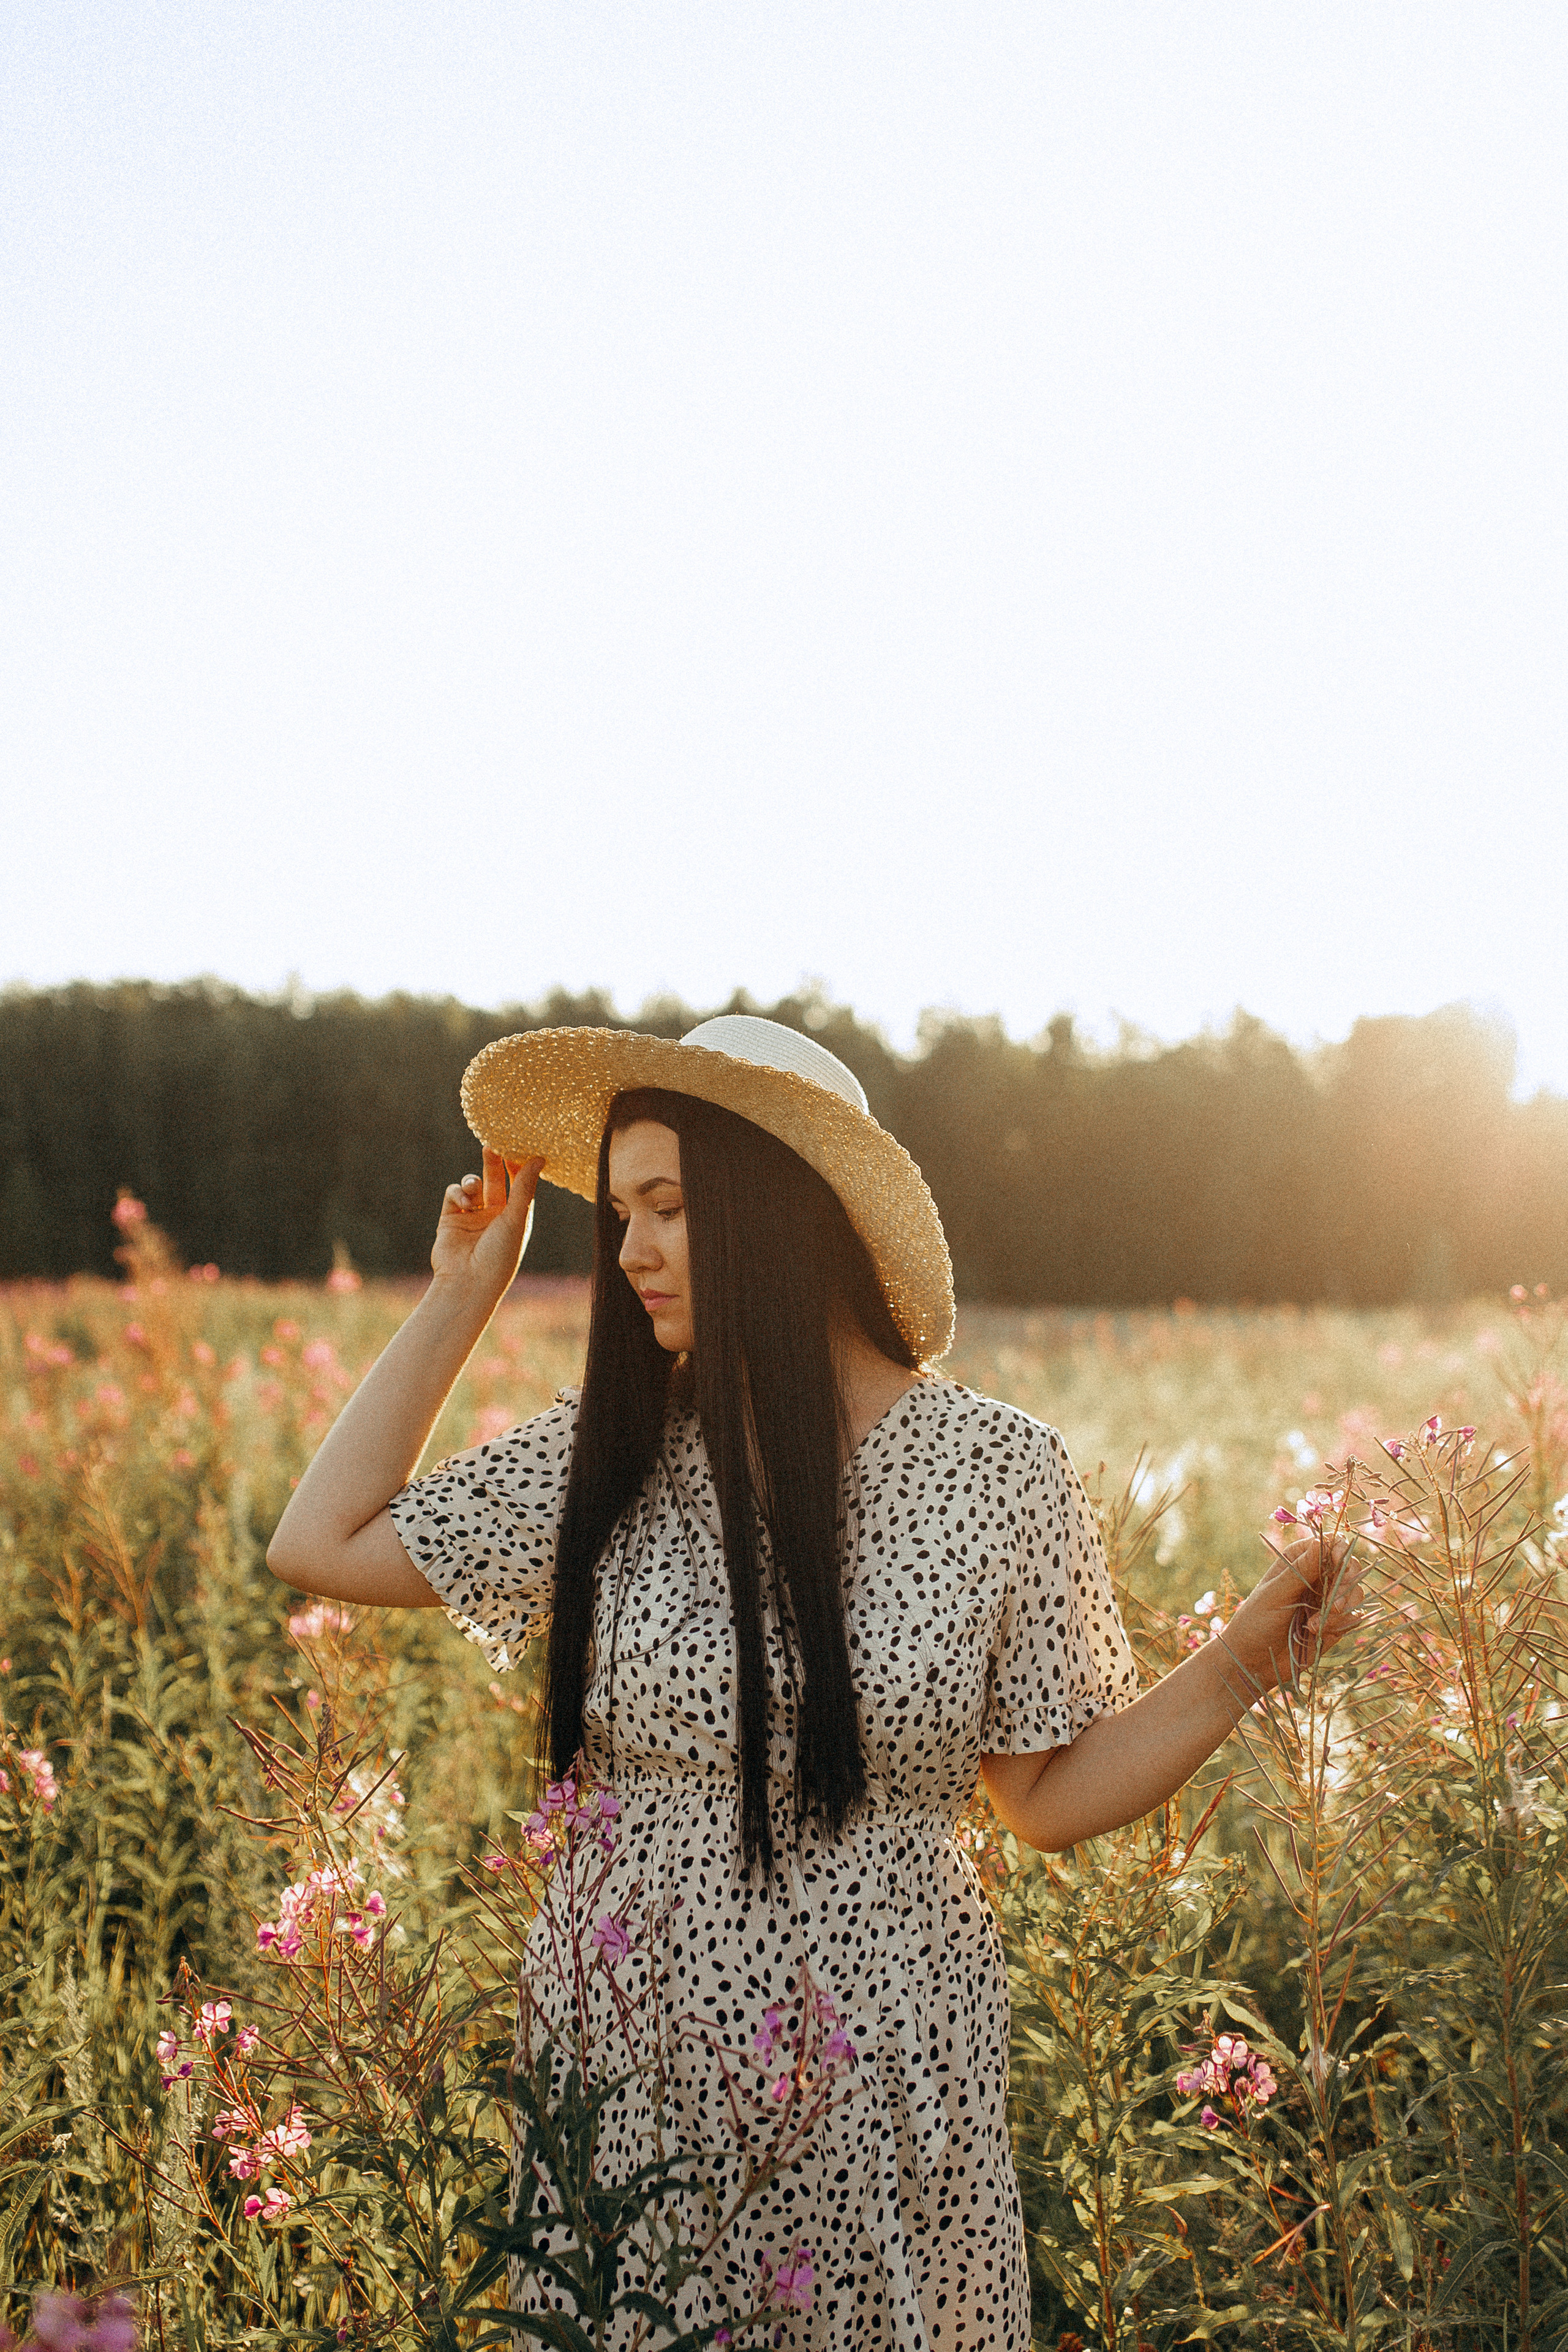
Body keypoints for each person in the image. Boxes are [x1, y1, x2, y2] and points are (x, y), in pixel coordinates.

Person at [268, 1014, 1360, 2351]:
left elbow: (1041, 1796)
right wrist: (461, 1296)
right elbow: (317, 1541)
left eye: (668, 1208)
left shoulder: (997, 1470)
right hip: (630, 2042)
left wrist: (1243, 1661)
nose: (629, 1252)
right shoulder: (614, 1450)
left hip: (876, 2050)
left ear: (783, 1214)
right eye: (619, 1213)